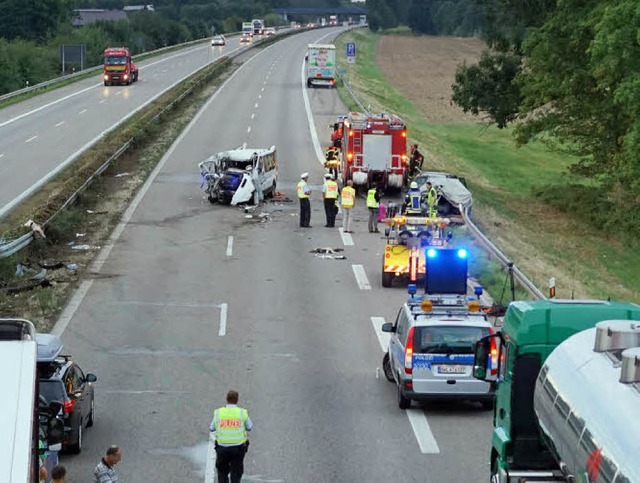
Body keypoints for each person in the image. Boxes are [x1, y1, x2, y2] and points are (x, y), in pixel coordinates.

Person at [210, 390, 253, 483]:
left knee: (222, 472)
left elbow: (212, 428)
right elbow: (249, 427)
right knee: (236, 472)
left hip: (222, 448)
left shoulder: (218, 412)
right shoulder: (242, 412)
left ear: (226, 399)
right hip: (238, 448)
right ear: (237, 400)